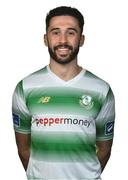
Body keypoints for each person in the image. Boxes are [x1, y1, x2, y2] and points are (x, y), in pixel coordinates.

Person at [12, 6, 115, 180]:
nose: (63, 40)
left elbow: (104, 149)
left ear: (81, 39)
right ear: (45, 39)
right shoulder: (25, 88)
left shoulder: (102, 90)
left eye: (71, 33)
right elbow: (23, 148)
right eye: (55, 32)